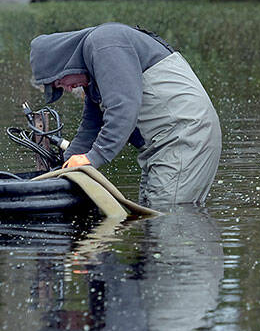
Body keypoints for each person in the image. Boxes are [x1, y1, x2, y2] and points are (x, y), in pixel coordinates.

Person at [29, 23, 222, 206]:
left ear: (63, 64)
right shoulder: (94, 67)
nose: (68, 89)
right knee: (151, 214)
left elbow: (123, 108)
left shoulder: (104, 44)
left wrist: (93, 158)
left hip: (185, 136)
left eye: (60, 83)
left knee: (167, 215)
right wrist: (65, 164)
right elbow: (91, 125)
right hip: (162, 145)